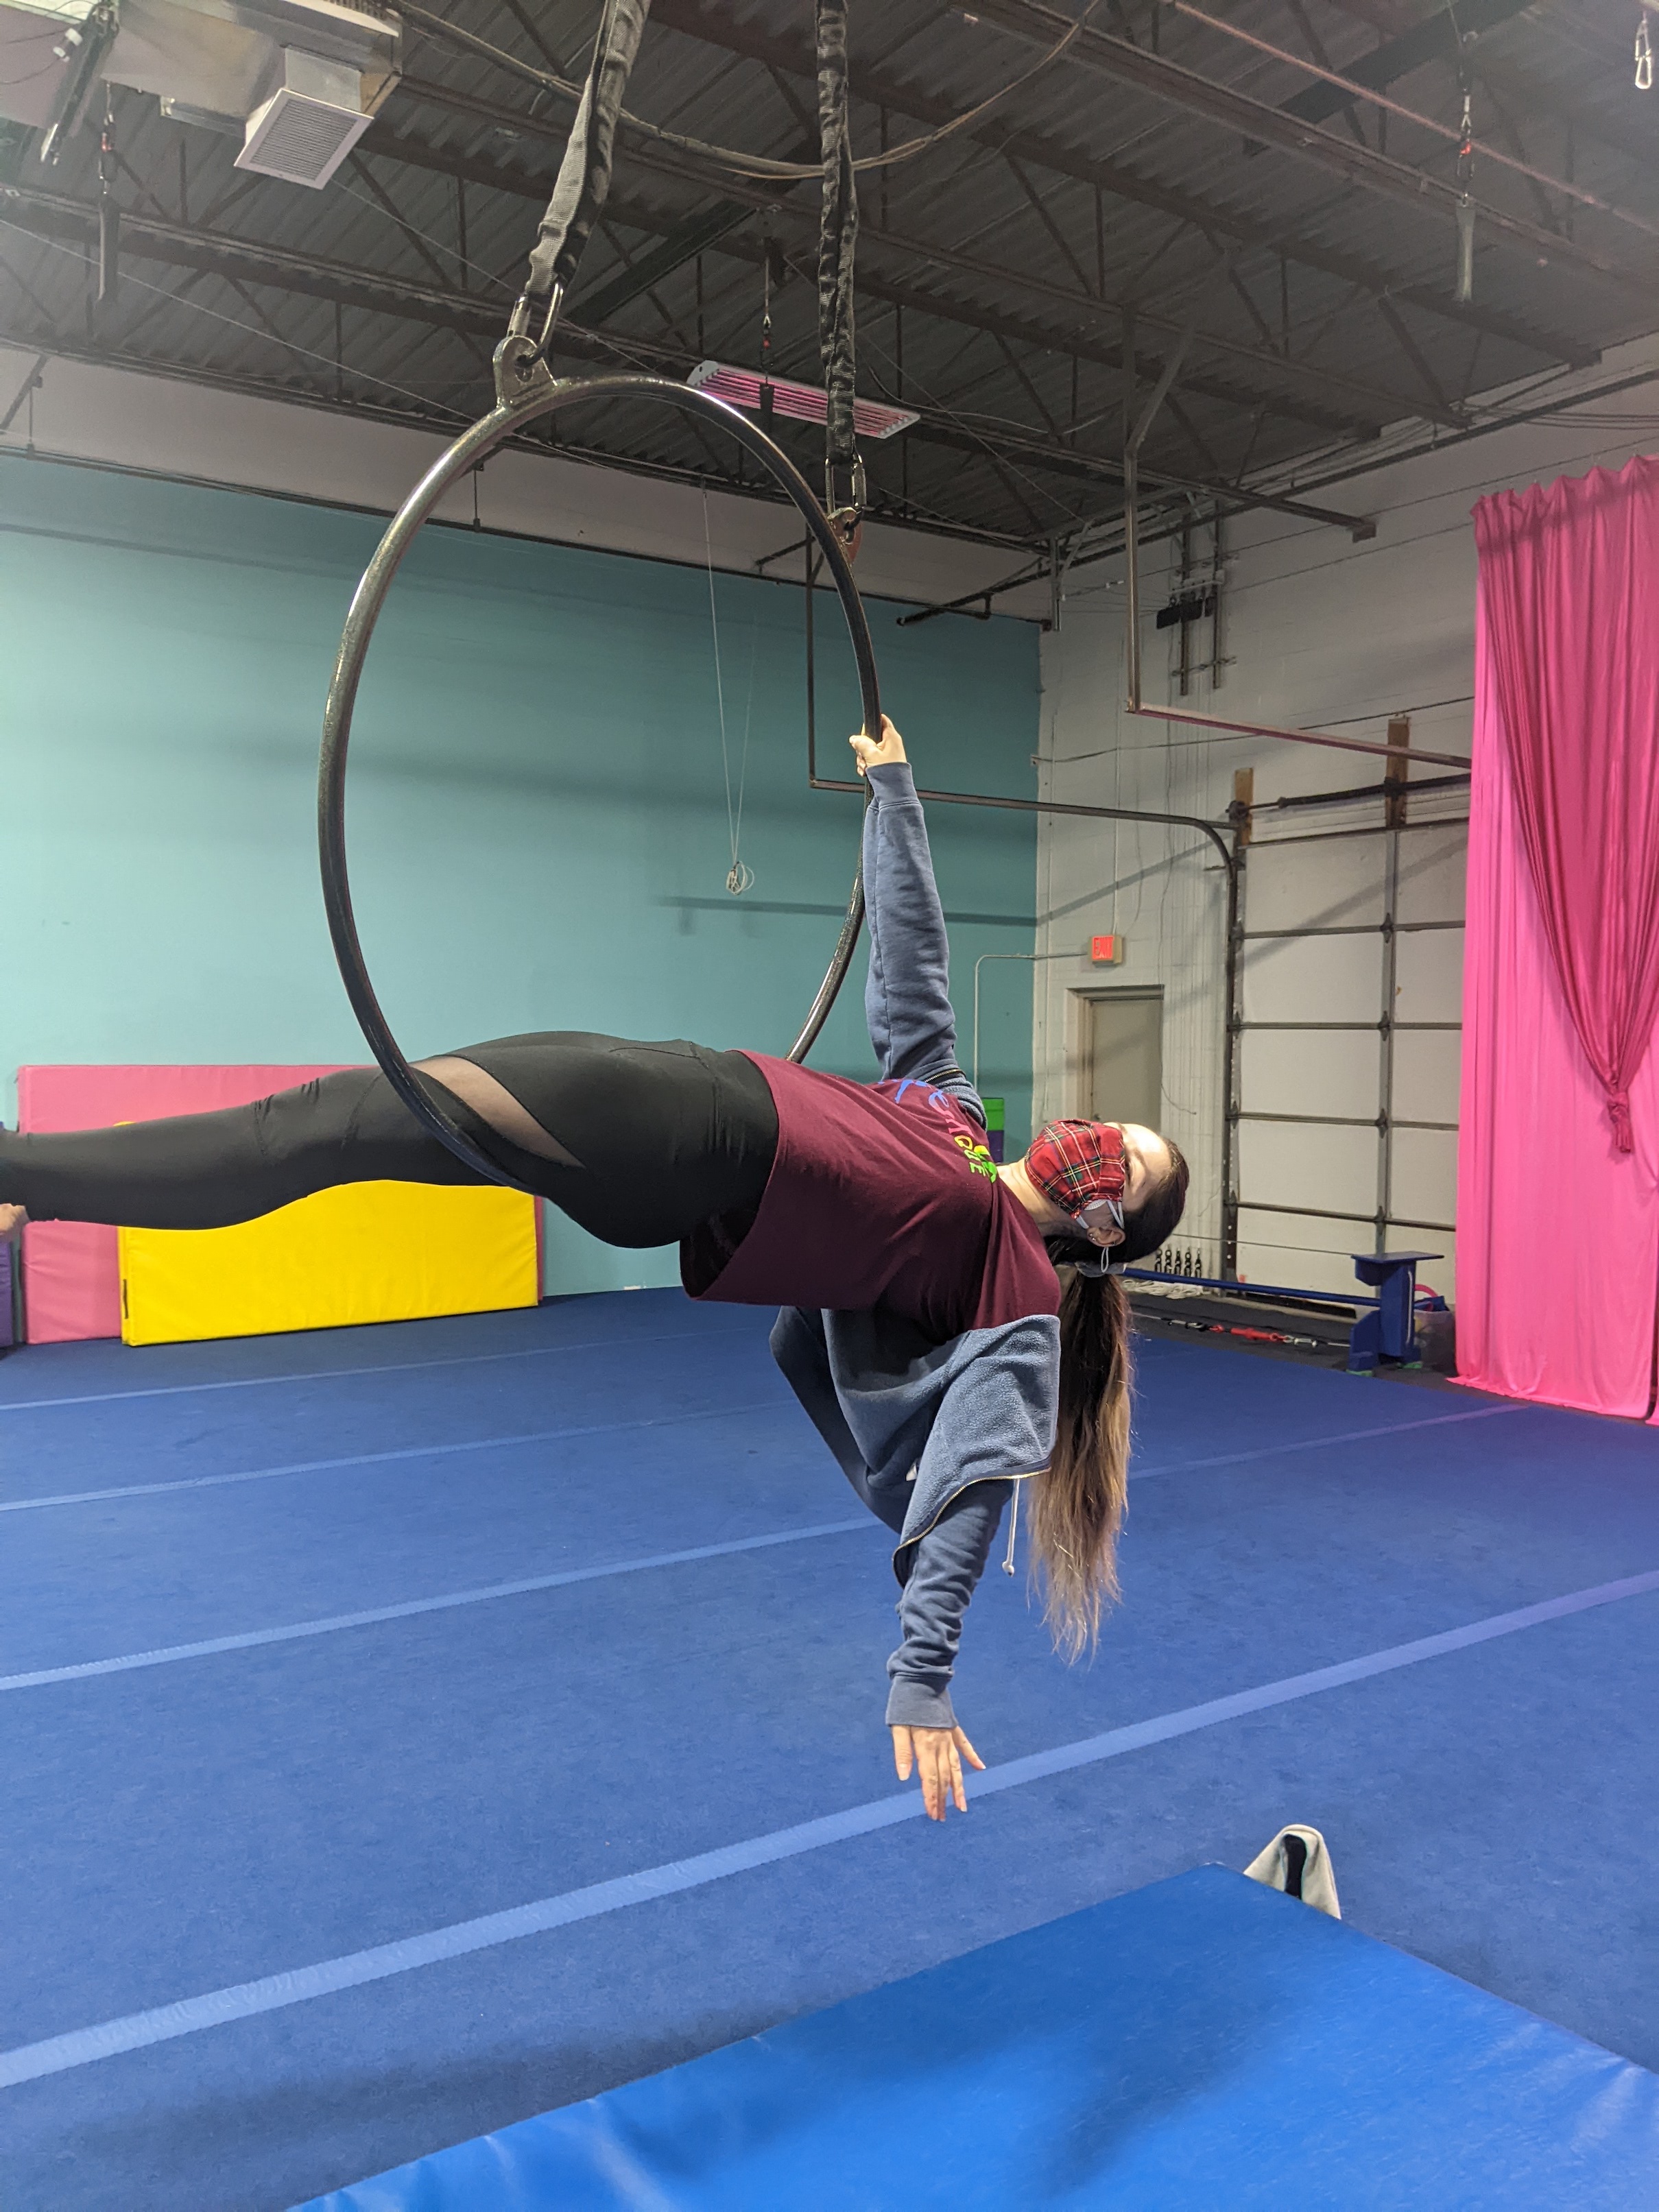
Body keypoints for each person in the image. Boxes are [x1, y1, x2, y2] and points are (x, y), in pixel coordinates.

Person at [0, 718, 1187, 1820]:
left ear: (1105, 1231)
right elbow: (913, 963)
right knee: (338, 1130)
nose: (1096, 1139)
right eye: (1115, 1125)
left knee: (330, 1123)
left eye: (1123, 1166)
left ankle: (24, 1173)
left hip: (681, 1138)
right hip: (676, 1095)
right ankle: (33, 1187)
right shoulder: (956, 1115)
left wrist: (922, 1672)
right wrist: (895, 794)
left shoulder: (1011, 1288)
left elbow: (978, 1476)